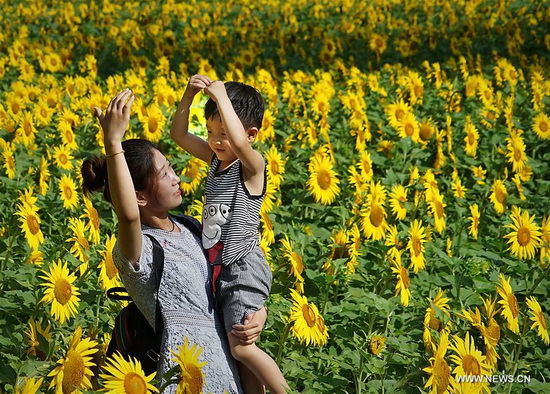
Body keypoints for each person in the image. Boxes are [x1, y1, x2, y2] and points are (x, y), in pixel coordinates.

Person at [81, 89, 267, 393]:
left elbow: (232, 285)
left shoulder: (193, 229)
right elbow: (128, 217)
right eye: (165, 174)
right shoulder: (138, 248)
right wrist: (113, 143)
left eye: (172, 169)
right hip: (184, 382)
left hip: (230, 379)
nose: (176, 178)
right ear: (139, 196)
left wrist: (257, 312)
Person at [171, 76, 288, 393]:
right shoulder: (214, 161)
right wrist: (189, 95)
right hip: (220, 269)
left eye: (223, 133)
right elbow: (179, 134)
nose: (214, 141)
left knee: (242, 348)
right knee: (238, 355)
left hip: (243, 267)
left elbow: (238, 144)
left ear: (251, 135)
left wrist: (221, 96)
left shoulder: (251, 166)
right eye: (210, 132)